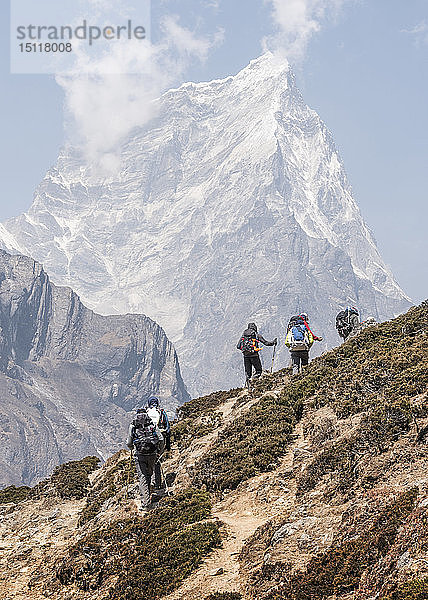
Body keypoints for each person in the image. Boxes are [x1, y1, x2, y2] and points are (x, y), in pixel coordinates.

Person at [126, 407, 164, 511]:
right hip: (152, 453)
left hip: (140, 454)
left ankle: (146, 503)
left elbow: (129, 442)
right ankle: (149, 492)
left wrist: (132, 448)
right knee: (149, 474)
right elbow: (160, 438)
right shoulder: (151, 424)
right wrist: (159, 451)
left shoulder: (133, 425)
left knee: (143, 476)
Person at [146, 396, 171, 490]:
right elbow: (168, 429)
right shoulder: (161, 412)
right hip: (160, 439)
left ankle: (148, 484)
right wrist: (167, 445)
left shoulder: (146, 412)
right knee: (157, 461)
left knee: (147, 462)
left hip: (148, 440)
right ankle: (158, 484)